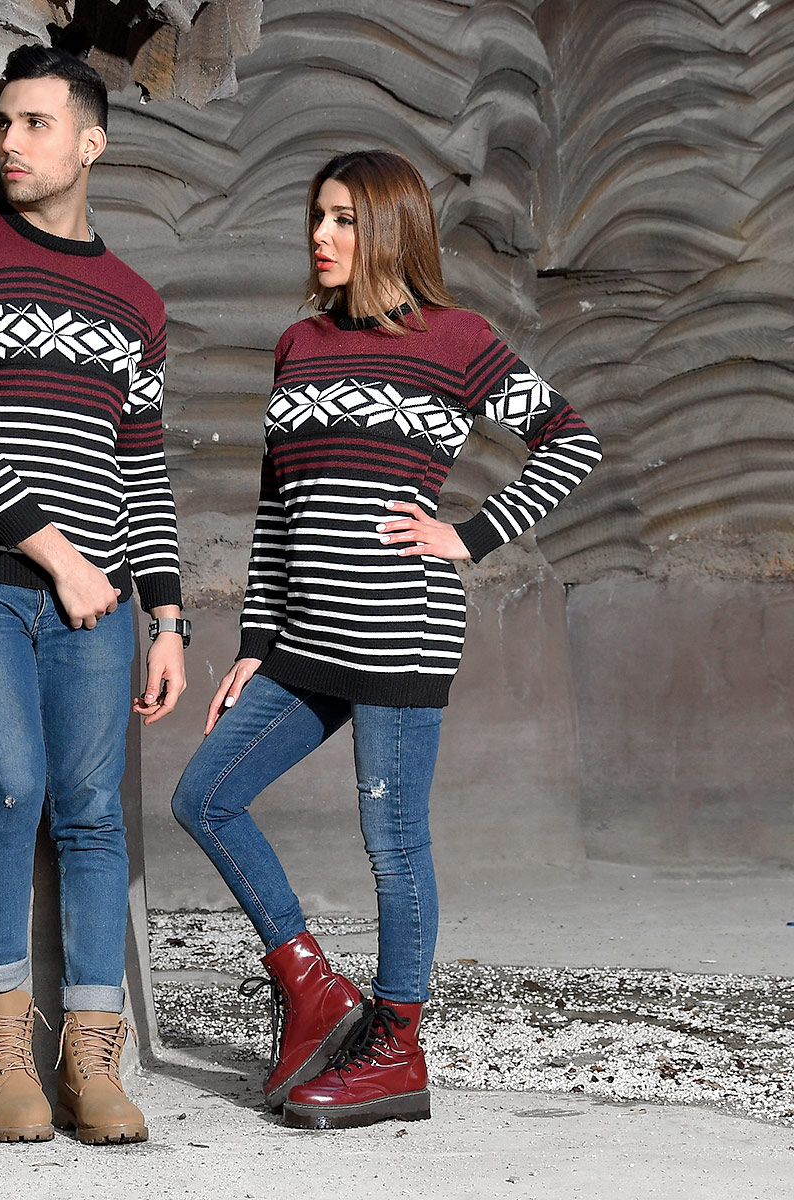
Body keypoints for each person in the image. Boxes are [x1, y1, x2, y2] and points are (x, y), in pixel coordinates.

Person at [171, 150, 602, 1130]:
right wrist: (254, 643)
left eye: (344, 220)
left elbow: (572, 440)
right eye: (317, 216)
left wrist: (470, 535)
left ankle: (397, 1049)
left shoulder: (456, 339)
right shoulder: (299, 344)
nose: (321, 236)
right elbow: (277, 509)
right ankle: (313, 989)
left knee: (393, 840)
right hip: (307, 636)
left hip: (402, 629)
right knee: (205, 796)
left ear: (391, 231)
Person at [0, 44, 190, 1146]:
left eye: (35, 124)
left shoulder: (136, 303)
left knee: (93, 812)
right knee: (13, 786)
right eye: (2, 124)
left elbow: (141, 468)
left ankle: (93, 1058)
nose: (9, 144)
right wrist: (61, 559)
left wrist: (168, 616)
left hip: (100, 604)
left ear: (90, 142)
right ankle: (0, 1040)